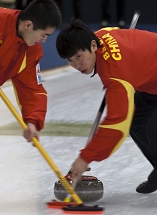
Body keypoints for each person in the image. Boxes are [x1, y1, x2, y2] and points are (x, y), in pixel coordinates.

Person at [56, 19, 157, 194]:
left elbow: (116, 125)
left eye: (79, 57)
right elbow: (113, 30)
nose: (76, 65)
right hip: (151, 83)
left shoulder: (116, 75)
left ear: (93, 45)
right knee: (136, 121)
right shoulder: (99, 36)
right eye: (69, 60)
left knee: (153, 130)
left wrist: (85, 157)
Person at [0, 0, 62, 143]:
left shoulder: (31, 50)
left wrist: (32, 121)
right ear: (28, 25)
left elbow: (32, 89)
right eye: (44, 34)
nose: (44, 40)